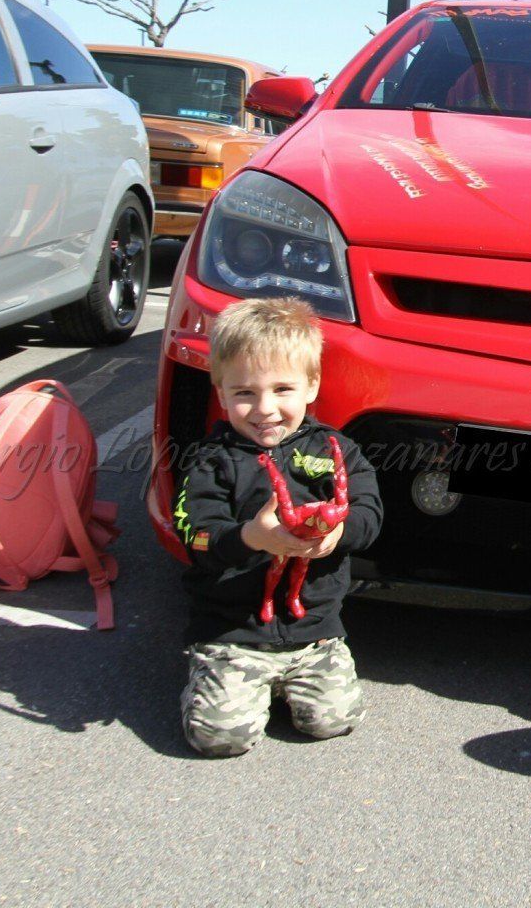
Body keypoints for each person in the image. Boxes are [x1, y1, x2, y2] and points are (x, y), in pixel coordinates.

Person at [172, 296, 383, 758]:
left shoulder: (337, 451)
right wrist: (250, 537)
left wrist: (335, 536)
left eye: (282, 389)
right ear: (221, 392)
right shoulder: (210, 462)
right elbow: (195, 536)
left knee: (333, 720)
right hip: (233, 631)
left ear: (312, 386)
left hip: (314, 631)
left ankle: (304, 671)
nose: (264, 409)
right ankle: (210, 674)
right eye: (244, 393)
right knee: (221, 739)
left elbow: (370, 515)